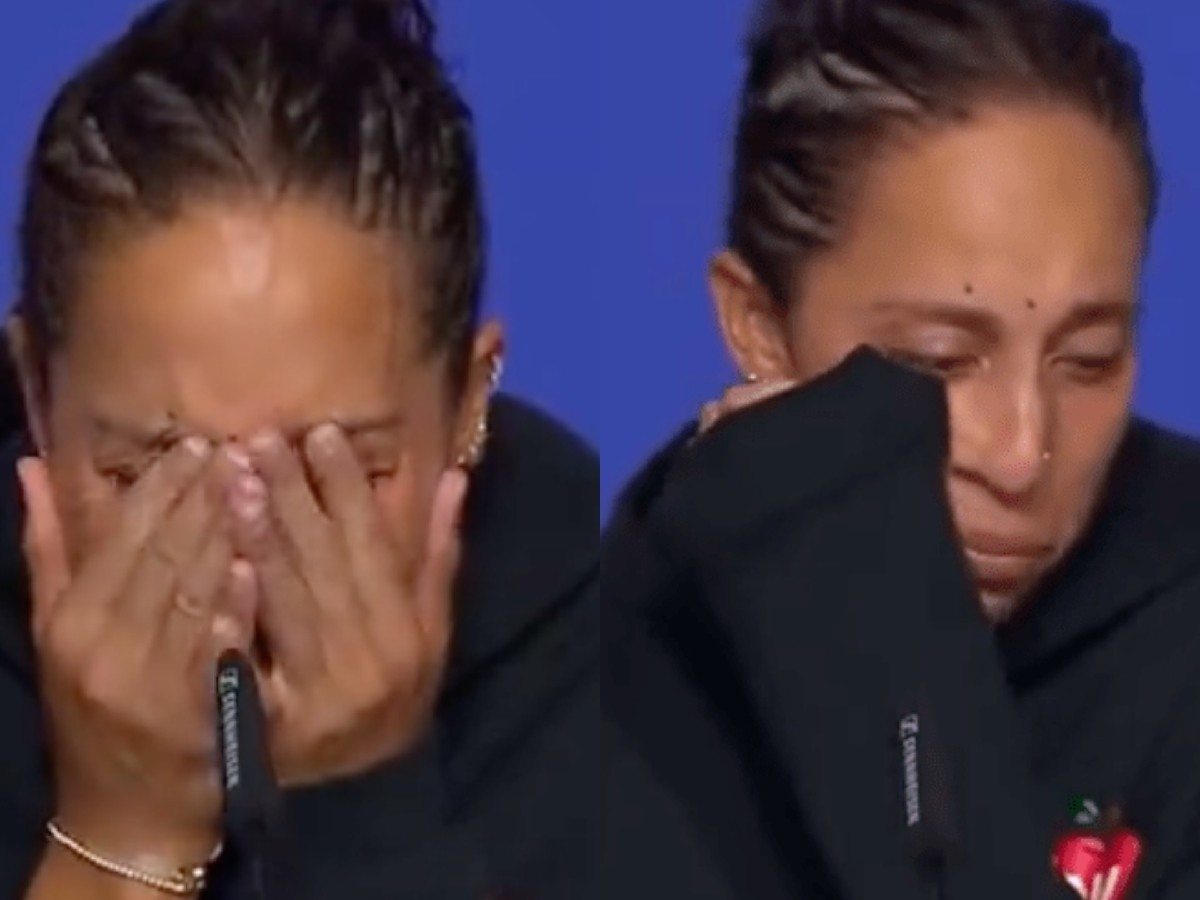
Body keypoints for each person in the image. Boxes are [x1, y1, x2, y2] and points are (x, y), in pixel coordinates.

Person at [599, 1, 1200, 898]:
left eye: (1089, 360)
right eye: (939, 362)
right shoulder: (598, 667)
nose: (1021, 452)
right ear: (759, 326)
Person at [0, 0, 599, 897]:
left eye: (342, 471)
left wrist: (365, 807)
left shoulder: (628, 648)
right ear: (36, 396)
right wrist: (122, 838)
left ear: (471, 401)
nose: (244, 548)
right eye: (145, 471)